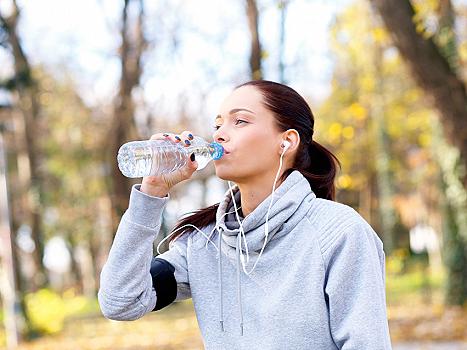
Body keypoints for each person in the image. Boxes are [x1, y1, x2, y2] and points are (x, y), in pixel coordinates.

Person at [98, 80, 393, 349]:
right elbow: (121, 302)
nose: (220, 134)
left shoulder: (338, 232)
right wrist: (152, 191)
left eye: (240, 121)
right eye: (217, 125)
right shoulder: (203, 242)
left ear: (287, 141)